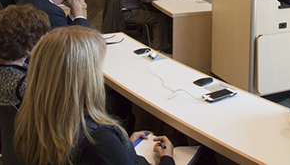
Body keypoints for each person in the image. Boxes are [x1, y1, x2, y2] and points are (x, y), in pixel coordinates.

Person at [14, 26, 175, 165]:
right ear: (86, 77)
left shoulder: (31, 120)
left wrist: (124, 148)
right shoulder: (99, 140)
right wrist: (167, 159)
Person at [0, 5, 50, 105]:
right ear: (25, 47)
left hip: (4, 117)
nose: (43, 39)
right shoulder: (23, 85)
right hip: (26, 118)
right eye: (39, 37)